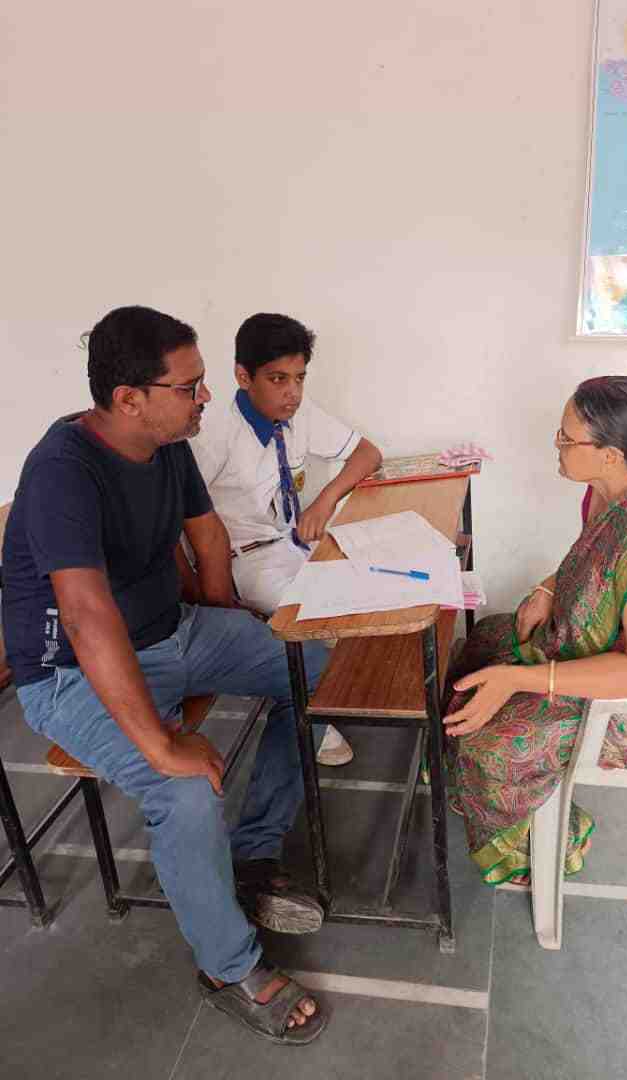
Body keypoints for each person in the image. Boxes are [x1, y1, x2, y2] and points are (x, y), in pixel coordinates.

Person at [1, 306, 330, 1044]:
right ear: (129, 399)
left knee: (312, 668)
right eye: (190, 386)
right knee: (183, 789)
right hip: (70, 673)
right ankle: (227, 966)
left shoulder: (168, 439)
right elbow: (86, 617)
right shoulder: (62, 470)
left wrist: (228, 629)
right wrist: (161, 743)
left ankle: (251, 857)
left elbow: (206, 535)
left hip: (170, 632)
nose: (205, 397)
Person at [443, 376, 627, 886]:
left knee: (490, 746)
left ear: (611, 453)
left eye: (566, 438)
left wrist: (519, 680)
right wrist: (546, 588)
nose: (555, 447)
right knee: (484, 643)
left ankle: (538, 848)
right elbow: (595, 560)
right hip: (625, 654)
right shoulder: (609, 492)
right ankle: (462, 758)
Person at [191, 312, 381, 766]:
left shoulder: (300, 412)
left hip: (296, 539)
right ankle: (313, 707)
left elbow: (367, 453)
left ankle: (335, 685)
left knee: (371, 583)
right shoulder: (212, 432)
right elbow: (184, 518)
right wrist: (211, 595)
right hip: (247, 559)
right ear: (243, 376)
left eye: (299, 378)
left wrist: (325, 500)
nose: (291, 392)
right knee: (314, 612)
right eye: (277, 379)